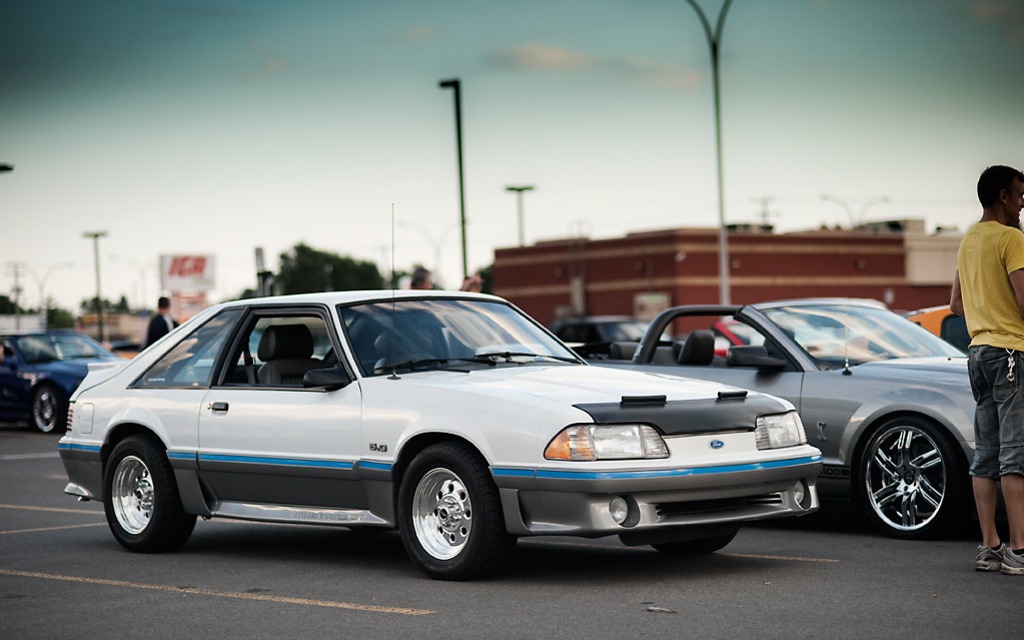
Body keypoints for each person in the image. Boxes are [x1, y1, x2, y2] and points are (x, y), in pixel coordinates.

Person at [950, 164, 1024, 575]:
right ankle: (1019, 550)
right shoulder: (1011, 238)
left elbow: (955, 304)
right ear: (1002, 197)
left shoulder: (969, 240)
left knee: (987, 453)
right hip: (1013, 352)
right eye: (1020, 197)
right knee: (1016, 454)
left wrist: (986, 312)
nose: (1021, 206)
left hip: (978, 352)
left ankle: (989, 547)